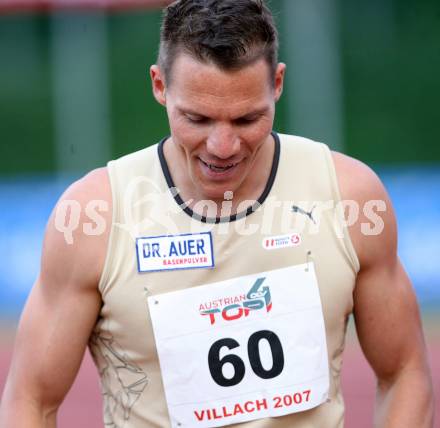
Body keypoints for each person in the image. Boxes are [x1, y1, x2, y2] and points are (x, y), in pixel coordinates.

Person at [0, 0, 434, 427]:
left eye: (247, 119)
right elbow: (30, 400)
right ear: (159, 85)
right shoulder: (94, 215)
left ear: (278, 84)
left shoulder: (349, 197)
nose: (222, 147)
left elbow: (404, 373)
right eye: (198, 119)